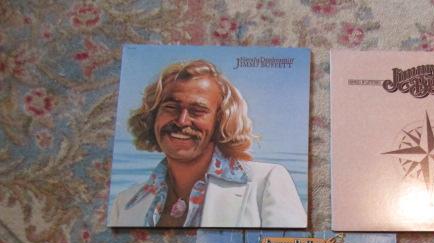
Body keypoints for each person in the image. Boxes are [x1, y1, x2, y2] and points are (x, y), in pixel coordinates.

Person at [108, 59, 306, 228]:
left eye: (197, 111)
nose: (182, 121)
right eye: (170, 107)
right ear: (153, 117)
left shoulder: (266, 183)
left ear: (221, 122)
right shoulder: (124, 204)